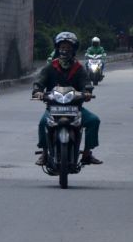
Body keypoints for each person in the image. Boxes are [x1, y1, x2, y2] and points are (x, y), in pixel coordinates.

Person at [32, 31, 102, 166]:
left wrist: (87, 92)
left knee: (94, 121)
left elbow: (86, 83)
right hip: (53, 108)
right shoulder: (50, 67)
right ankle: (45, 153)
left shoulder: (79, 68)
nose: (65, 50)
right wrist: (38, 91)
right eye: (62, 47)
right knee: (42, 123)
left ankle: (87, 153)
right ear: (58, 49)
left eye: (68, 48)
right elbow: (39, 82)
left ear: (74, 50)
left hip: (75, 109)